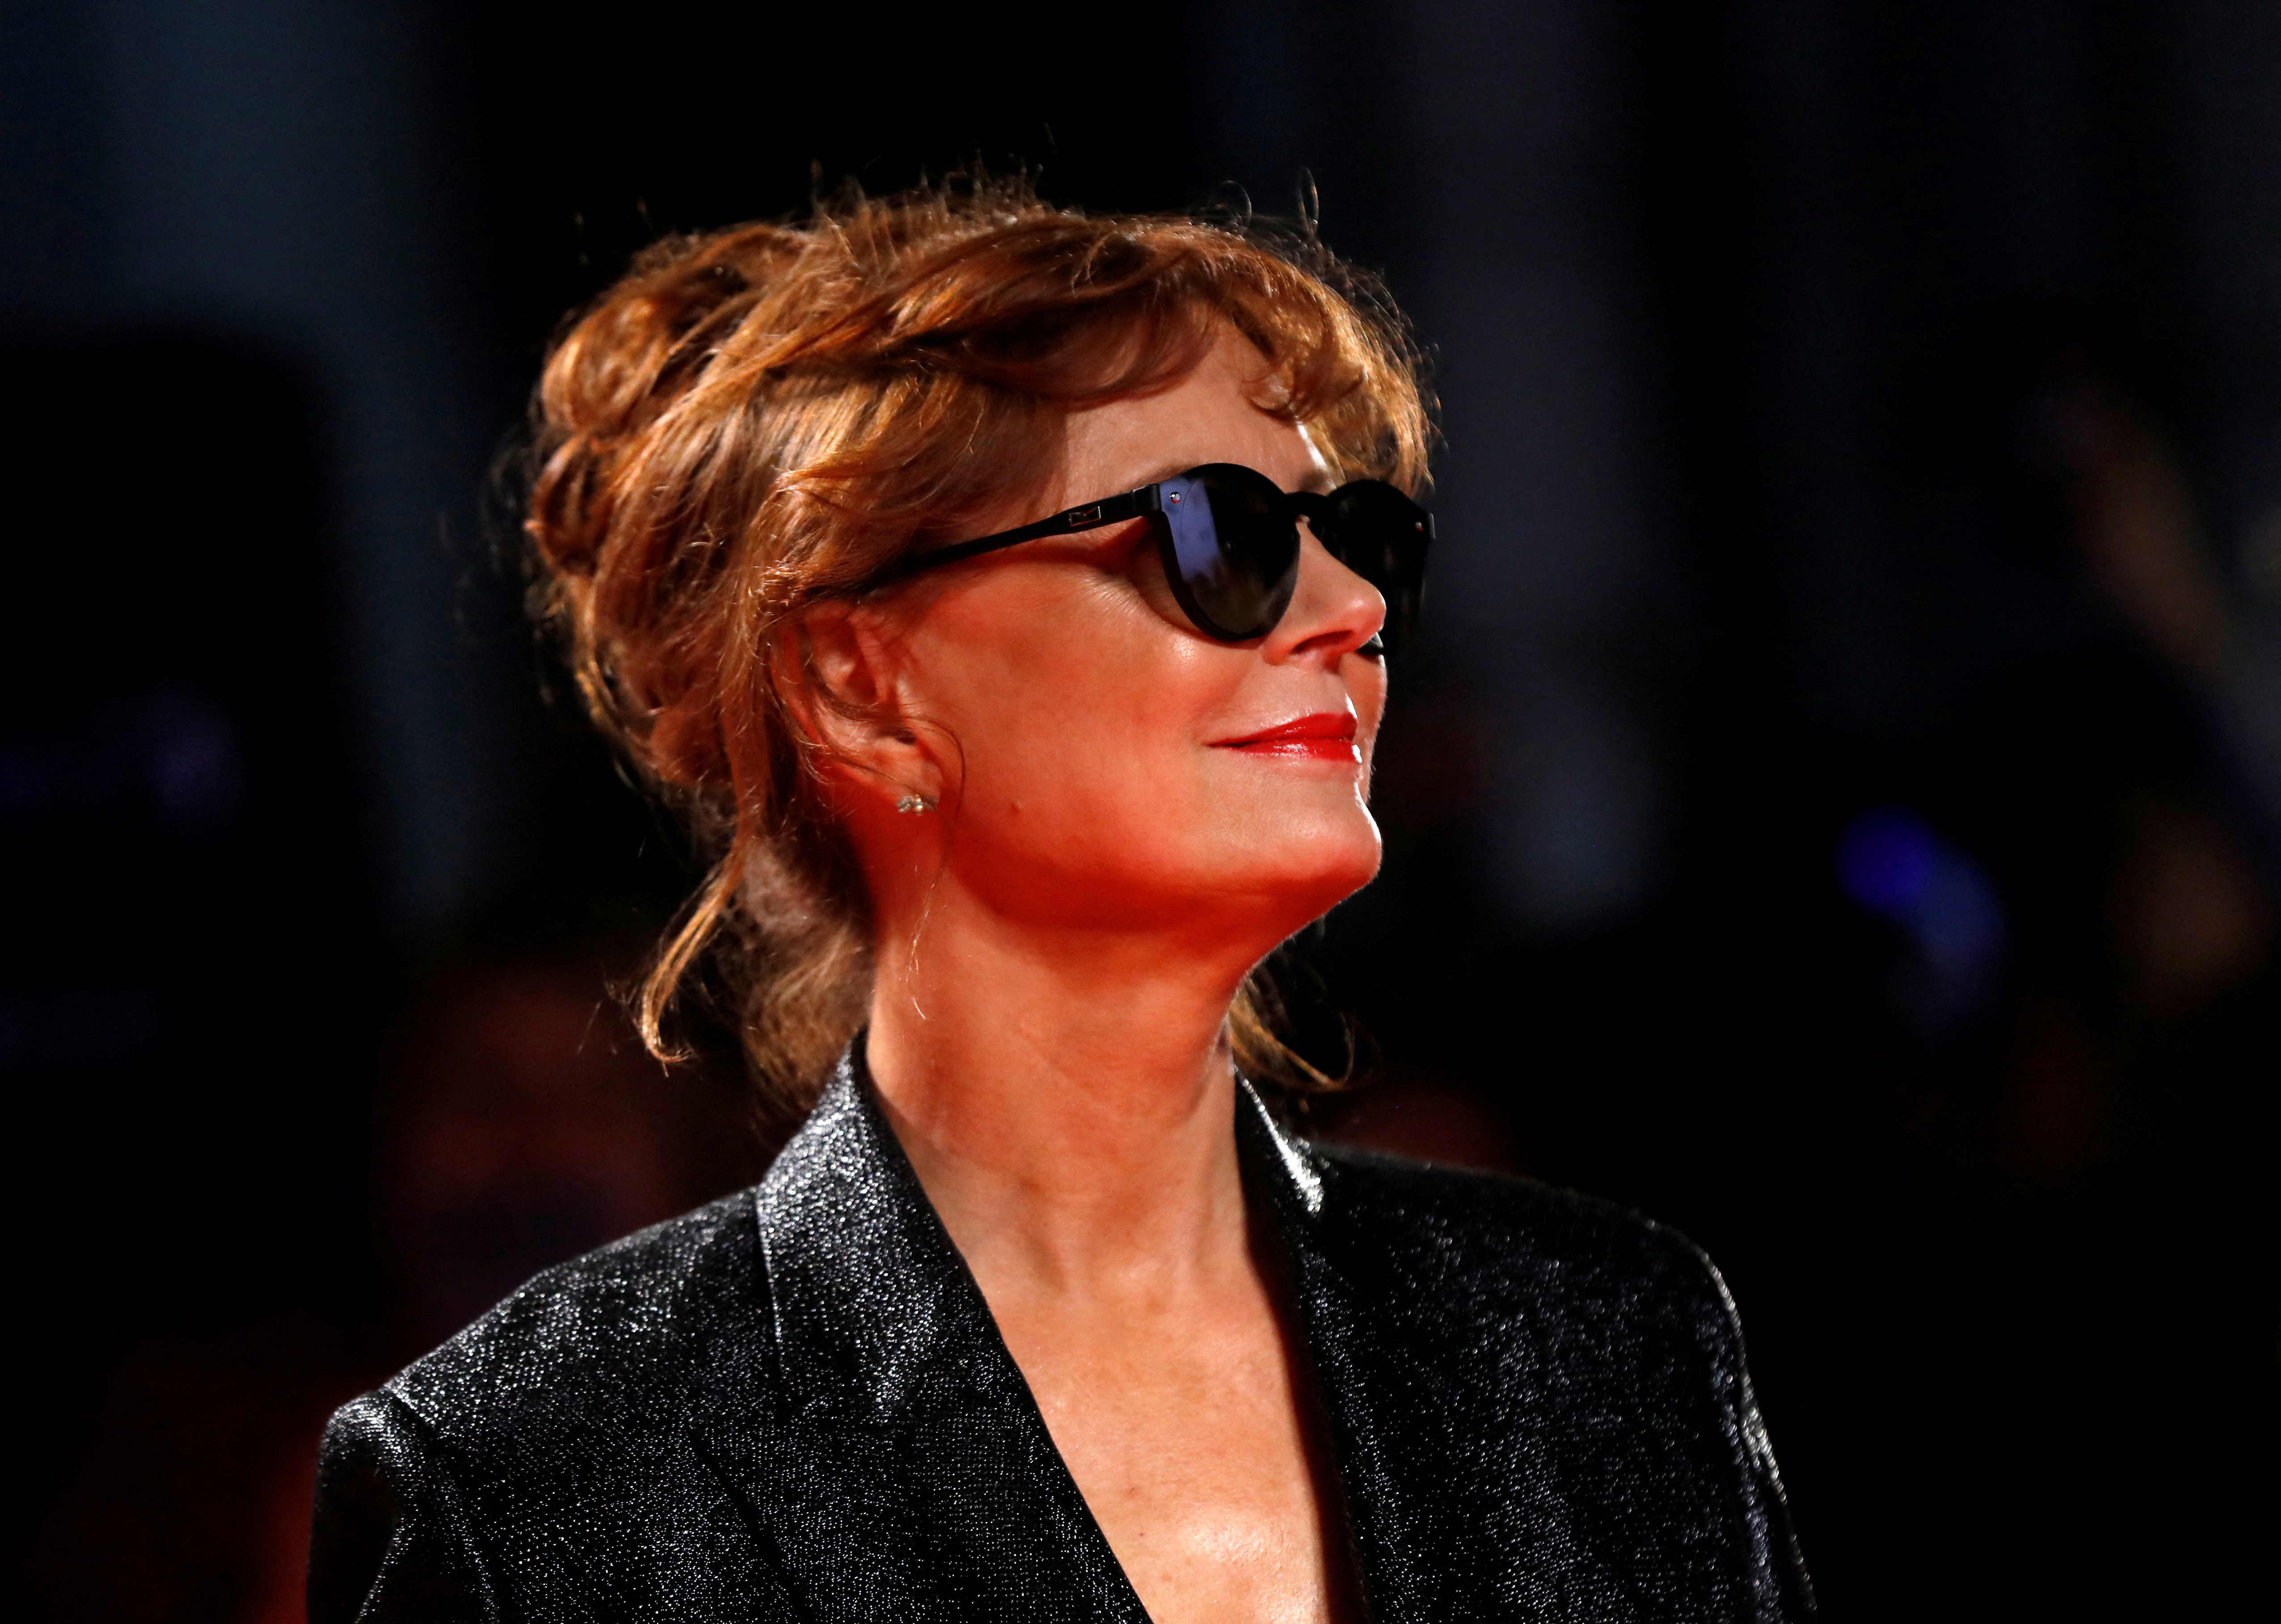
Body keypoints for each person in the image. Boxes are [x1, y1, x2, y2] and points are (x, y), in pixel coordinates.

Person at [309, 181, 1814, 1623]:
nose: (1351, 610)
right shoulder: (536, 1479)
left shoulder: (1605, 1337)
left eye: (1364, 541)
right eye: (1220, 535)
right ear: (863, 681)